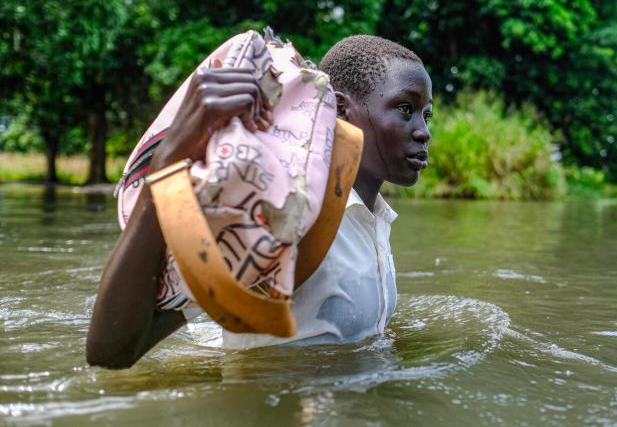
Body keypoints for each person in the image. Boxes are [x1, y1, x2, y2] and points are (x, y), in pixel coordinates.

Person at [86, 34, 433, 368]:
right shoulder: (291, 219)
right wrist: (165, 169)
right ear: (340, 109)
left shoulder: (375, 219)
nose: (423, 131)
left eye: (425, 114)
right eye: (405, 108)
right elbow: (111, 350)